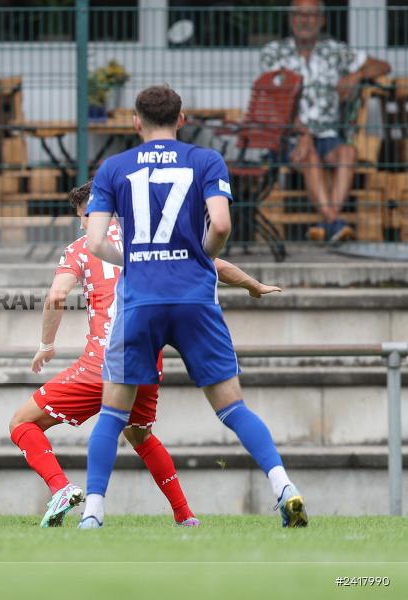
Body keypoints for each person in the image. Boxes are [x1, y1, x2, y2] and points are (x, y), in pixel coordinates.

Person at [84, 85, 308, 528]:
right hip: (194, 298)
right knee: (232, 408)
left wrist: (138, 258)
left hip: (141, 300)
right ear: (182, 119)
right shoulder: (206, 160)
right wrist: (200, 253)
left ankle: (93, 512)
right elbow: (221, 224)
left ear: (135, 121)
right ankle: (284, 485)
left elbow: (94, 242)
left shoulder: (113, 168)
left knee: (113, 413)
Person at [10, 182, 283, 529]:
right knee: (139, 435)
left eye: (82, 217)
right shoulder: (150, 242)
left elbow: (56, 296)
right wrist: (253, 286)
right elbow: (215, 263)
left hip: (105, 361)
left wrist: (46, 344)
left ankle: (63, 489)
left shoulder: (81, 249)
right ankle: (185, 516)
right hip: (147, 356)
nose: (81, 225)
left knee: (22, 422)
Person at [259, 0, 390, 243]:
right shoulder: (273, 53)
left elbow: (383, 65)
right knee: (309, 156)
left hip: (329, 135)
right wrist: (302, 133)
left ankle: (327, 222)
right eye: (299, 14)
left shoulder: (336, 51)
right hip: (289, 137)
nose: (304, 20)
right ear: (290, 18)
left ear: (322, 20)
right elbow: (275, 100)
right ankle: (334, 221)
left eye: (311, 15)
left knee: (348, 153)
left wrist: (356, 74)